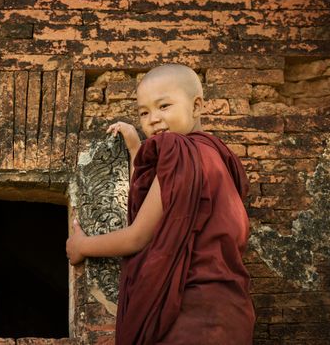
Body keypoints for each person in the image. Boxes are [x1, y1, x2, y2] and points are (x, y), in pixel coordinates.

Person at [66, 63, 256, 344]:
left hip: (189, 316)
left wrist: (81, 247)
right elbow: (155, 202)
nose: (153, 119)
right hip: (231, 313)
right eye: (144, 112)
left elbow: (138, 236)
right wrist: (136, 150)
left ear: (197, 105)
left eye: (164, 106)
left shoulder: (181, 154)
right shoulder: (219, 157)